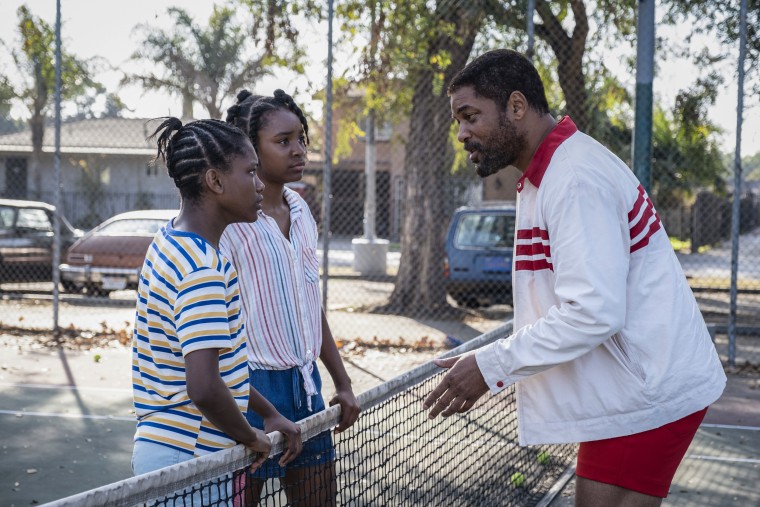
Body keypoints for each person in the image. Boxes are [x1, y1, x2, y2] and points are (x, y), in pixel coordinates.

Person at [422, 49, 726, 507]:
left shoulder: (575, 177)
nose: (462, 133)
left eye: (470, 117)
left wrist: (490, 367)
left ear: (517, 107)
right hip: (633, 387)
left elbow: (592, 312)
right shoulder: (548, 173)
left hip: (648, 390)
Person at [131, 117, 303, 495]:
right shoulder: (202, 269)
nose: (260, 184)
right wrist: (253, 437)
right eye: (251, 172)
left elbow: (220, 370)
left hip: (173, 455)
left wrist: (269, 412)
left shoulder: (169, 240)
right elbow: (205, 387)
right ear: (215, 181)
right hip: (189, 460)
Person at [222, 89, 361, 505]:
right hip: (250, 392)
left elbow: (309, 302)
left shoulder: (300, 210)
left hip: (306, 388)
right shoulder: (230, 220)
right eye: (283, 142)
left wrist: (343, 381)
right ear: (249, 148)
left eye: (300, 137)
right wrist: (255, 403)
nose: (298, 149)